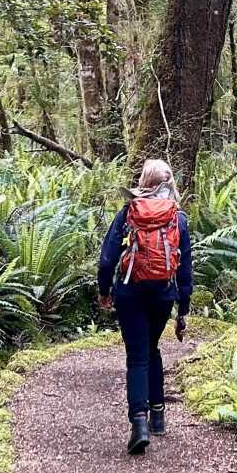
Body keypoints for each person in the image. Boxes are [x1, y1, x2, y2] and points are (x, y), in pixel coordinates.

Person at [96, 158, 194, 455]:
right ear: (169, 183)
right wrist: (183, 309)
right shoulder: (178, 218)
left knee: (138, 356)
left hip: (130, 292)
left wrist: (104, 292)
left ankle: (139, 423)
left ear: (143, 182)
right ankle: (159, 415)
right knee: (152, 348)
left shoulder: (128, 213)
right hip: (163, 294)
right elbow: (185, 268)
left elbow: (106, 259)